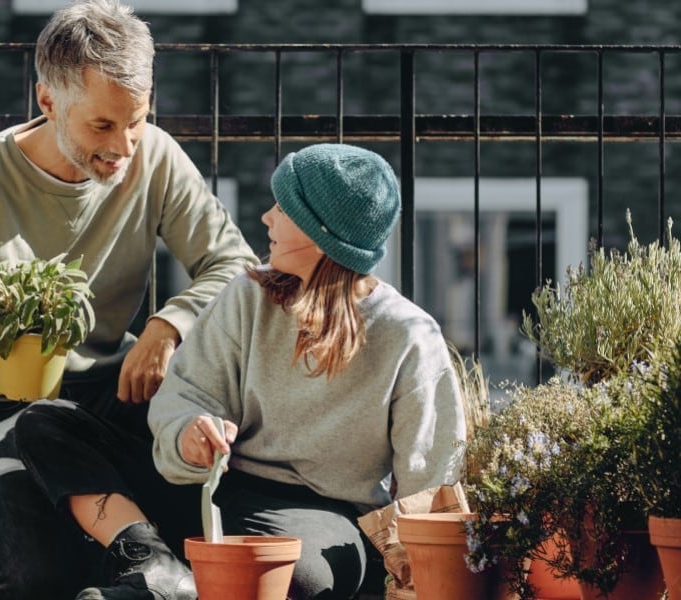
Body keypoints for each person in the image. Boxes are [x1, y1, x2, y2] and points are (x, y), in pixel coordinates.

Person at [0, 0, 259, 598]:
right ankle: (2, 541)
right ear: (47, 100)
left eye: (136, 121)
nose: (125, 145)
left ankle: (91, 547)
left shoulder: (156, 157)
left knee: (217, 509)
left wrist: (169, 324)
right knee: (35, 579)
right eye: (102, 126)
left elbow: (235, 265)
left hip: (104, 394)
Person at [147, 143, 467, 600]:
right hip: (217, 486)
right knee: (53, 427)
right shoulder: (247, 296)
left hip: (322, 515)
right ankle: (154, 569)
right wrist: (188, 434)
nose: (266, 218)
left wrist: (413, 575)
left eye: (282, 208)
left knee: (299, 573)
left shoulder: (409, 336)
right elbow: (186, 395)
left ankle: (152, 588)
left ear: (320, 234)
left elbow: (429, 482)